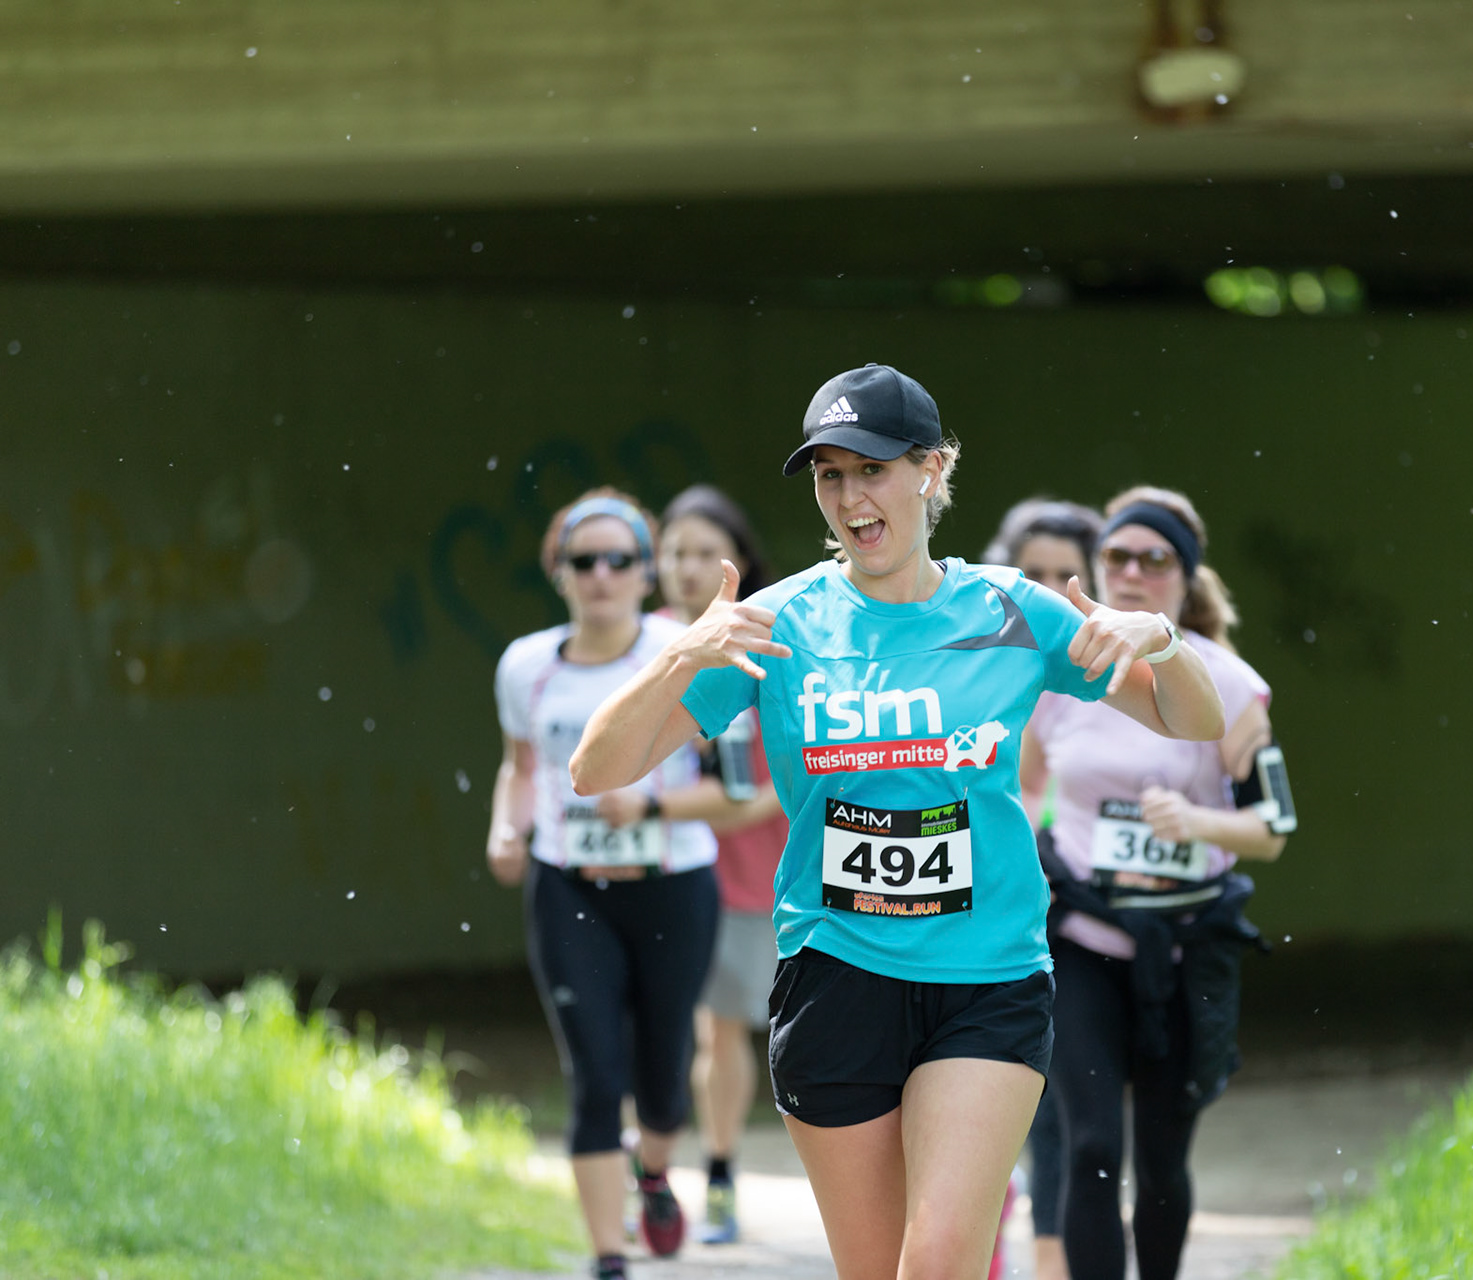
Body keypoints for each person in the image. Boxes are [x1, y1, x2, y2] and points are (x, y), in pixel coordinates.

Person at [568, 364, 1226, 1280]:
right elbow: (595, 768)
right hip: (836, 975)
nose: (851, 496)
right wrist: (679, 650)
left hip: (987, 977)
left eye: (872, 468)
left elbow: (1194, 720)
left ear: (932, 470)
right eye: (830, 475)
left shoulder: (1010, 612)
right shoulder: (777, 623)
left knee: (941, 1263)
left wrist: (1163, 635)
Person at [1022, 486, 1290, 1280]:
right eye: (1116, 556)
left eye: (1154, 558)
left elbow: (1273, 830)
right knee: (1092, 1146)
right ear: (1096, 565)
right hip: (1082, 942)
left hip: (1184, 948)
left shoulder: (1232, 686)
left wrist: (1198, 824)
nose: (1132, 573)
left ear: (1185, 575)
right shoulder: (1062, 677)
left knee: (1163, 1164)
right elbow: (1026, 795)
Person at [488, 488, 739, 1279]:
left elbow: (734, 790)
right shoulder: (526, 664)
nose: (602, 576)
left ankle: (655, 1170)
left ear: (646, 570)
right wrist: (507, 825)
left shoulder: (688, 648)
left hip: (673, 885)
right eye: (583, 562)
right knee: (595, 1072)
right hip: (570, 885)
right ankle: (607, 1259)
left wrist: (654, 802)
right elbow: (519, 767)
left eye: (619, 560)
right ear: (559, 574)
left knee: (663, 1078)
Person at [655, 484, 788, 1245]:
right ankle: (721, 1173)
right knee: (719, 1033)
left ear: (738, 561)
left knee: (794, 1032)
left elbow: (770, 791)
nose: (687, 566)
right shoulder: (647, 649)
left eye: (705, 551)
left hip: (776, 869)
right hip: (689, 876)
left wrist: (662, 810)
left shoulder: (772, 637)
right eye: (674, 551)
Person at [980, 496, 1105, 1280]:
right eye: (1036, 576)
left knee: (1063, 1122)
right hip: (976, 925)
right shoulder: (971, 670)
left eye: (1071, 577)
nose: (1052, 592)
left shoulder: (1106, 689)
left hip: (1080, 929)